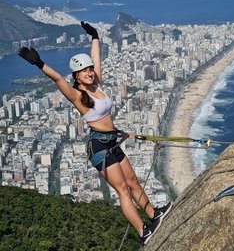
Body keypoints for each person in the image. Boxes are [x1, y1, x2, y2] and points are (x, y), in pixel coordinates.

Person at [18, 21, 172, 244]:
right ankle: (143, 231)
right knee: (123, 191)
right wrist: (39, 63)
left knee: (134, 182)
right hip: (99, 148)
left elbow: (96, 59)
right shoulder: (77, 96)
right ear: (77, 77)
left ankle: (154, 214)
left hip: (113, 142)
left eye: (89, 69)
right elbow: (58, 79)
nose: (89, 72)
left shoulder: (96, 84)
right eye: (83, 71)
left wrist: (95, 37)